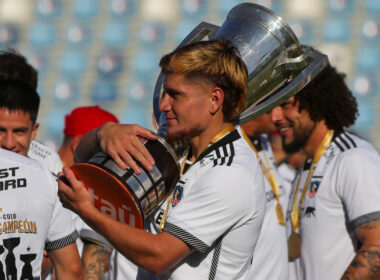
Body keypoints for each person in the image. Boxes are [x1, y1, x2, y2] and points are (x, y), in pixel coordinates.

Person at [58, 39, 266, 279]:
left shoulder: (230, 172)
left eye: (175, 95)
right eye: (164, 93)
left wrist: (86, 210)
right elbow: (83, 159)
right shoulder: (178, 149)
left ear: (214, 100)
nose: (163, 104)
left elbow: (159, 256)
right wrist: (103, 134)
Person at [270, 60, 380, 279]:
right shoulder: (308, 167)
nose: (275, 117)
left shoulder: (353, 158)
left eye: (286, 104)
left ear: (316, 103)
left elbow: (377, 247)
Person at [0, 76, 82, 278]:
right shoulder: (45, 178)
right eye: (0, 131)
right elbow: (71, 269)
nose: (9, 142)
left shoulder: (49, 176)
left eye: (19, 132)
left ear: (34, 131)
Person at [58, 105, 138, 280]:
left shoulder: (34, 170)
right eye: (109, 154)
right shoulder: (89, 189)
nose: (114, 163)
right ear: (79, 146)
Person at [241, 113, 289, 280]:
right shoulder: (235, 147)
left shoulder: (264, 142)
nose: (279, 116)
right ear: (255, 104)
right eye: (273, 107)